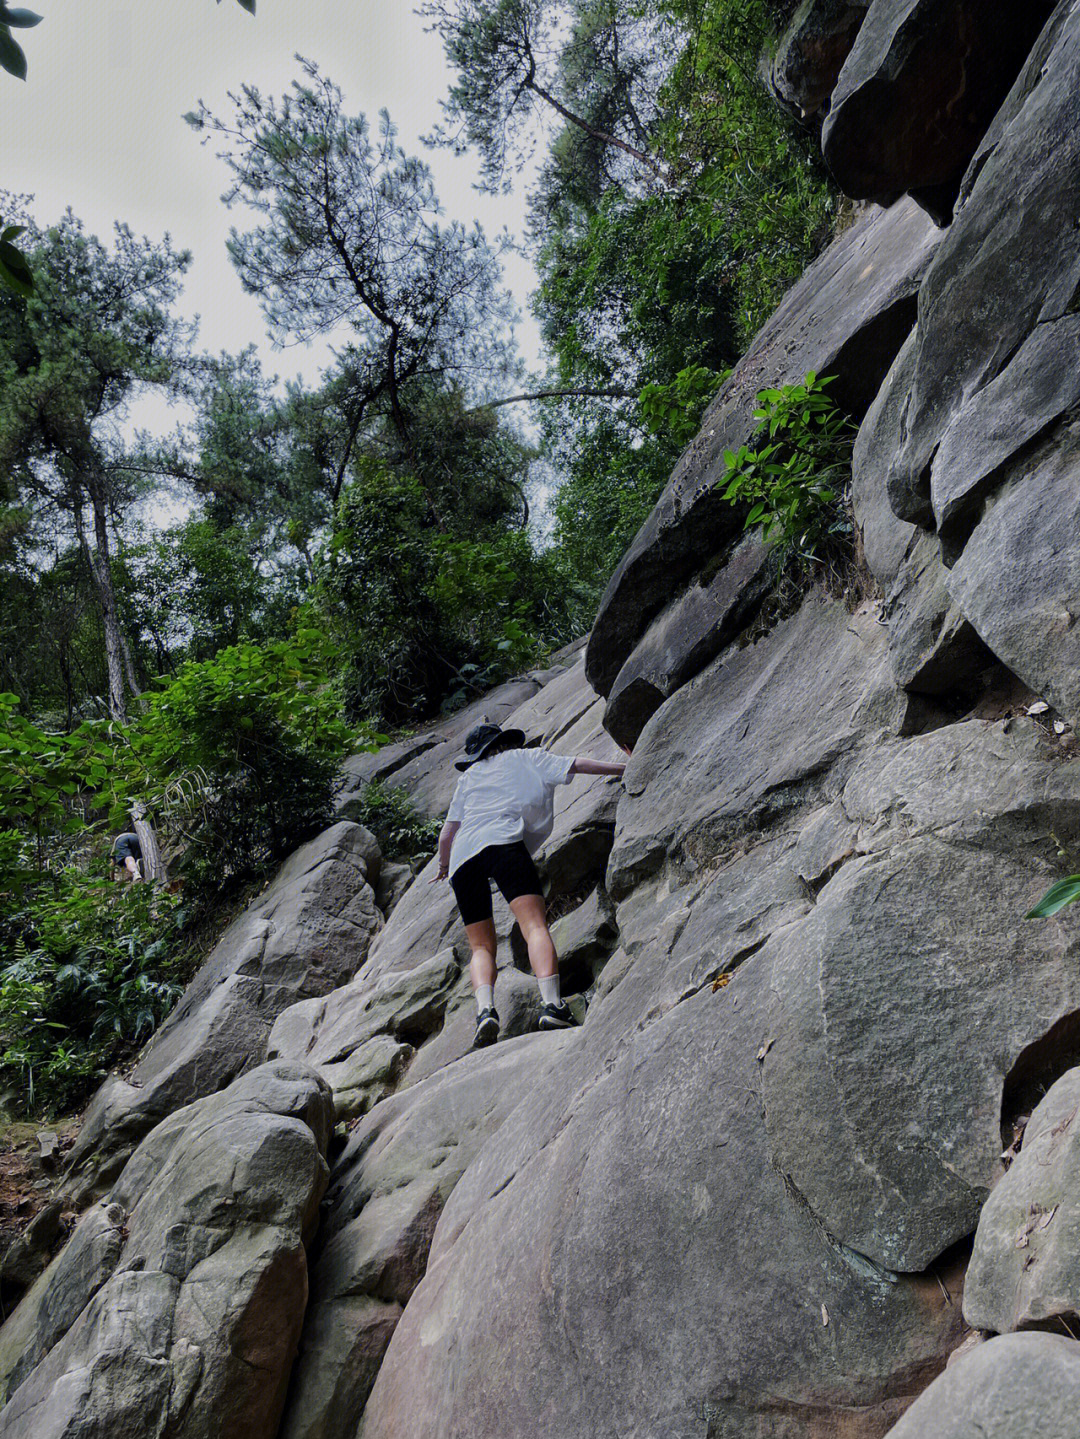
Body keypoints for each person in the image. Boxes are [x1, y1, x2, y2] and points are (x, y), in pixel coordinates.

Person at [431, 721, 627, 1048]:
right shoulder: (526, 757)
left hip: (464, 859)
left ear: (476, 754)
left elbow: (446, 835)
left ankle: (486, 1012)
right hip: (503, 843)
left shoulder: (468, 778)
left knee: (480, 947)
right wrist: (623, 766)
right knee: (534, 925)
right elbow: (576, 764)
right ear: (503, 743)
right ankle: (552, 1005)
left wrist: (443, 865)